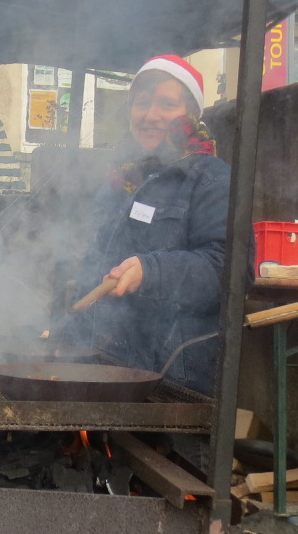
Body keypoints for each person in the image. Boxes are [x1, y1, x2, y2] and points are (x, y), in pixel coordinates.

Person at [61, 54, 229, 390]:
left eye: (167, 104)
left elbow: (228, 269)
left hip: (173, 377)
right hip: (108, 365)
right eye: (142, 103)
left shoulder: (211, 178)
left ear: (192, 113)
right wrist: (65, 336)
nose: (151, 115)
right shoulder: (123, 178)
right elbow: (94, 265)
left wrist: (150, 270)